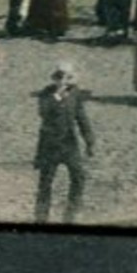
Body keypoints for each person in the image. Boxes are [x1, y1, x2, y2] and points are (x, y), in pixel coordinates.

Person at [33, 62, 95, 224]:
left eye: (67, 78)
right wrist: (57, 97)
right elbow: (43, 112)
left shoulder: (75, 94)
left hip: (69, 143)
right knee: (45, 182)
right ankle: (41, 218)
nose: (63, 81)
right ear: (55, 78)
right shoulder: (46, 94)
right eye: (60, 77)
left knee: (79, 177)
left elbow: (81, 118)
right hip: (49, 144)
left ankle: (71, 214)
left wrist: (89, 141)